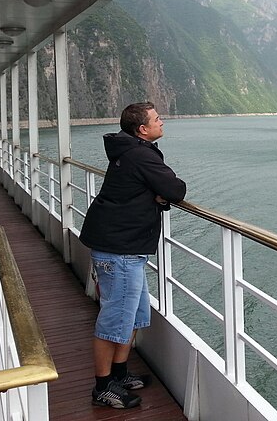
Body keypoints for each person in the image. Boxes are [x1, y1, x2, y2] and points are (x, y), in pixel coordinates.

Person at [79, 102, 186, 409]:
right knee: (114, 320)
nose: (162, 122)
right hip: (119, 251)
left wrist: (157, 196)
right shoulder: (140, 154)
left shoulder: (129, 152)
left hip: (124, 247)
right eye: (157, 119)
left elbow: (146, 192)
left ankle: (120, 374)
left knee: (134, 316)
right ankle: (102, 387)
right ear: (143, 129)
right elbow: (176, 189)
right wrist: (163, 194)